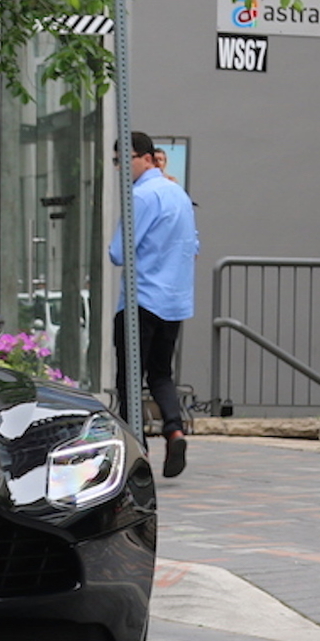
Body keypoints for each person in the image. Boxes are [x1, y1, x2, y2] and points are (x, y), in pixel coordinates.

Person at [109, 130, 199, 478]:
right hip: (174, 301)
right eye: (117, 161)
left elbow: (118, 252)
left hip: (141, 299)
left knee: (128, 378)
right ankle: (174, 430)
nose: (120, 168)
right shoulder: (178, 193)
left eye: (124, 160)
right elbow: (194, 244)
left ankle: (138, 450)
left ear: (146, 157)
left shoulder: (142, 196)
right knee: (161, 372)